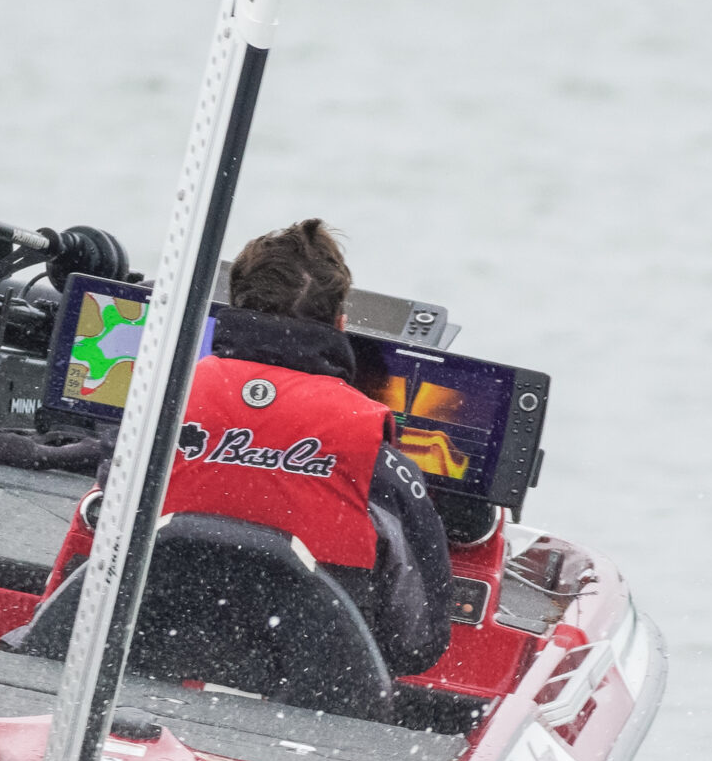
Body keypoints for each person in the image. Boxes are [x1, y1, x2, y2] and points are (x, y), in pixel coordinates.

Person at [41, 218, 455, 676]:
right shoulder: (370, 446)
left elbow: (108, 525)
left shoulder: (157, 405)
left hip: (132, 669)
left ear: (233, 306)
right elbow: (418, 641)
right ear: (340, 325)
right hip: (303, 698)